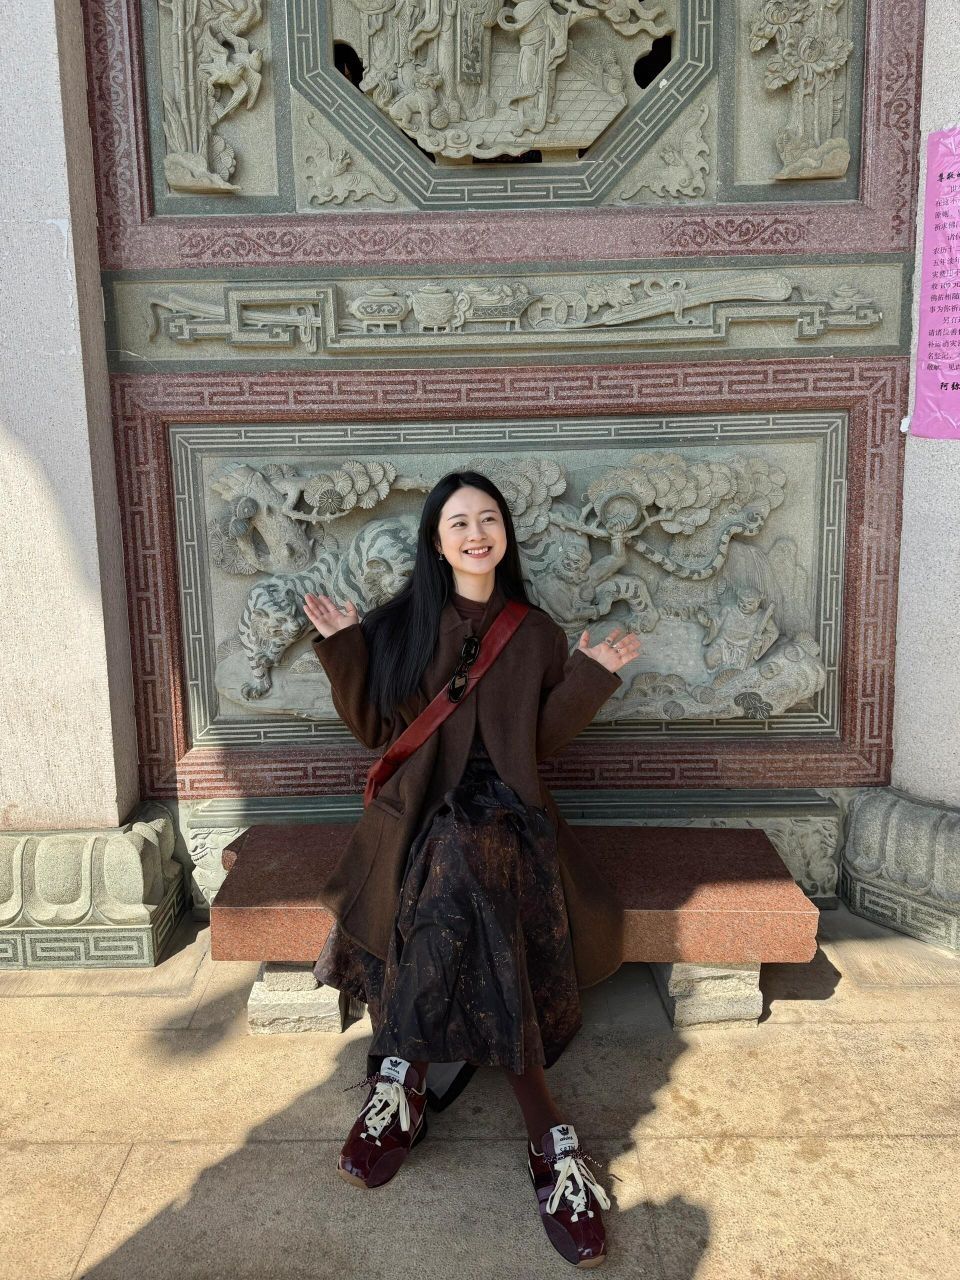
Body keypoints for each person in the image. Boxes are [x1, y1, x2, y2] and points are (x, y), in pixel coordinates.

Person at [303, 470, 640, 1268]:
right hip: (422, 814)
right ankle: (548, 1140)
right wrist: (346, 649)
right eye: (459, 522)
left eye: (489, 519)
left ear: (505, 536)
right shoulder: (402, 624)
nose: (476, 533)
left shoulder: (536, 632)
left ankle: (402, 1078)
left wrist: (590, 678)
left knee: (470, 861)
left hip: (510, 815)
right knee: (463, 864)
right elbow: (374, 731)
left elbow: (539, 744)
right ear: (436, 540)